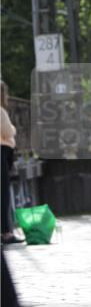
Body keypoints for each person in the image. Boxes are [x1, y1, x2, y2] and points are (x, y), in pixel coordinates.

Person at [1, 81, 22, 245]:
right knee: (3, 194)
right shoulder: (1, 111)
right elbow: (8, 131)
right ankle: (6, 233)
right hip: (2, 151)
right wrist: (13, 129)